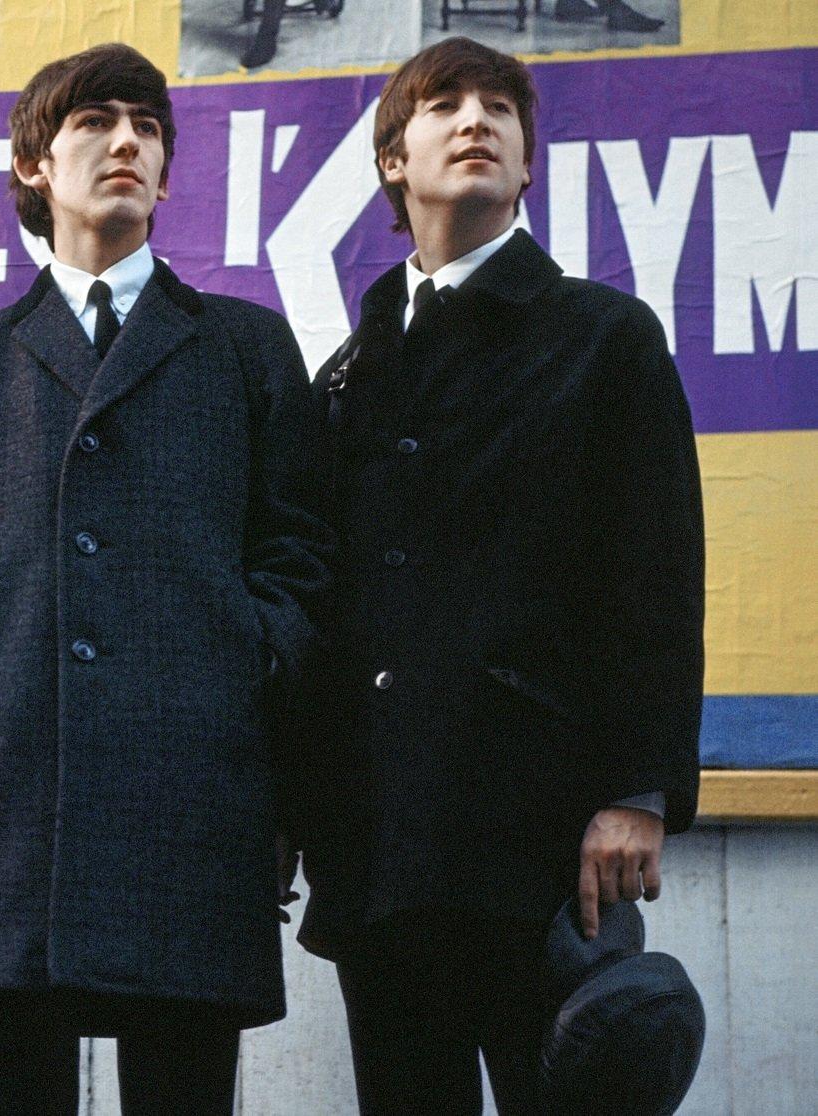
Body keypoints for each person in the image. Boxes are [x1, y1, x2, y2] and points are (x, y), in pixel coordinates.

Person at [0, 43, 331, 1116]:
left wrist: (246, 662)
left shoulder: (247, 347)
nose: (125, 141)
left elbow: (303, 556)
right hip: (15, 792)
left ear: (169, 173)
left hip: (193, 785)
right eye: (93, 123)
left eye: (145, 126)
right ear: (35, 163)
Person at [294, 36, 703, 1115]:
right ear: (394, 161)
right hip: (383, 847)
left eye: (500, 111)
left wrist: (635, 790)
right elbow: (323, 610)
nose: (476, 120)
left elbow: (656, 574)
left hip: (545, 840)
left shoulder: (602, 336)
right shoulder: (345, 372)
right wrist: (298, 816)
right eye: (444, 106)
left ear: (527, 168)